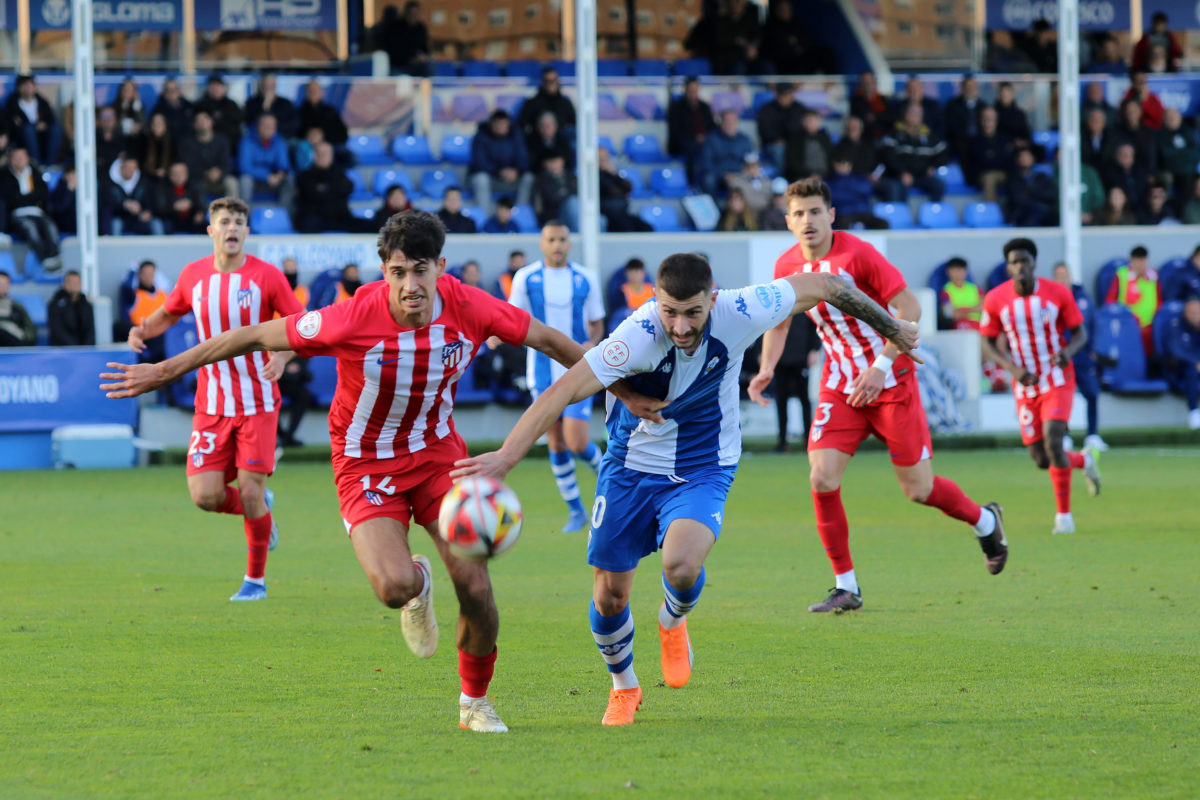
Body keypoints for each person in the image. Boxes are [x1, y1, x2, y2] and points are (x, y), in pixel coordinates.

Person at [102, 210, 619, 733]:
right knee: (393, 588)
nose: (410, 285)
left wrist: (620, 390)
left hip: (441, 459)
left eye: (421, 270)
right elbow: (255, 336)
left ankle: (474, 703)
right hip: (365, 465)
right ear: (383, 271)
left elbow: (552, 341)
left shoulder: (470, 305)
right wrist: (164, 370)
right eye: (398, 272)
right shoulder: (350, 316)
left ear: (441, 266)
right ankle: (418, 582)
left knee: (477, 589)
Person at [451, 252, 921, 726]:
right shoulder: (635, 336)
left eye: (693, 312)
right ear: (655, 300)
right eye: (669, 311)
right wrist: (506, 457)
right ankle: (625, 687)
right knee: (610, 596)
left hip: (704, 464)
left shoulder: (741, 309)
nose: (679, 325)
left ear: (712, 300)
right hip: (629, 467)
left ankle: (673, 621)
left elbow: (823, 284)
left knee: (680, 565)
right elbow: (563, 390)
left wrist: (892, 329)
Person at [749, 179, 1008, 613]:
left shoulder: (857, 254)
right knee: (821, 478)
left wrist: (880, 365)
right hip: (840, 385)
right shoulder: (786, 266)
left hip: (891, 382)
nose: (807, 221)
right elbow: (779, 322)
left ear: (831, 215)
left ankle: (985, 520)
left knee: (919, 490)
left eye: (815, 211)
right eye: (799, 214)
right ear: (788, 220)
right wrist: (766, 369)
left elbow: (910, 309)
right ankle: (845, 585)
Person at [115, 197, 302, 601]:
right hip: (212, 404)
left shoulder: (267, 277)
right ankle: (261, 513)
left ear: (247, 232)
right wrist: (142, 331)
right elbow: (169, 312)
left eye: (239, 221)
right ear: (211, 231)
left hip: (257, 401)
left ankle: (255, 582)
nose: (232, 227)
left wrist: (283, 357)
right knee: (205, 497)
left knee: (250, 490)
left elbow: (299, 326)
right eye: (224, 221)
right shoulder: (194, 276)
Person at [980, 239, 1102, 535]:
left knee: (1054, 438)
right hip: (1024, 384)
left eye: (1025, 260)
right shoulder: (996, 299)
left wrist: (1067, 353)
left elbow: (1080, 333)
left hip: (1057, 379)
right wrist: (1012, 368)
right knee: (1041, 458)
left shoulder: (1058, 292)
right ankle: (1083, 459)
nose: (1020, 266)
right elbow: (986, 341)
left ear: (1033, 263)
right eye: (1014, 262)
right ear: (1008, 267)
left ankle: (1064, 518)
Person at [506, 221, 606, 531]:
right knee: (556, 442)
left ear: (569, 243)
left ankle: (614, 483)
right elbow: (513, 319)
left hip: (578, 369)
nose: (557, 245)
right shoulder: (525, 278)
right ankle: (576, 511)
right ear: (542, 243)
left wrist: (592, 341)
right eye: (551, 239)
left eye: (562, 239)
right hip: (541, 372)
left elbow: (597, 323)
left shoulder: (586, 278)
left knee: (576, 441)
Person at [1051, 262, 1108, 451]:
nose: (1062, 279)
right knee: (1062, 397)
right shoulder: (1049, 300)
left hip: (1082, 355)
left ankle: (1092, 434)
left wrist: (1095, 349)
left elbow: (1093, 324)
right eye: (1058, 276)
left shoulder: (1083, 298)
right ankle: (1064, 435)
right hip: (1061, 357)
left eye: (1065, 275)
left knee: (1092, 393)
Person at [0, 146, 62, 268]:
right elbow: (9, 198)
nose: (19, 161)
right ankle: (45, 259)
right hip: (18, 214)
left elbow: (43, 195)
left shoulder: (36, 173)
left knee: (50, 227)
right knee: (30, 229)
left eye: (21, 157)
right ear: (11, 160)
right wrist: (31, 197)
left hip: (37, 212)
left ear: (27, 158)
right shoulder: (4, 175)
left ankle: (54, 256)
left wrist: (22, 198)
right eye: (16, 158)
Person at [468, 109, 533, 216]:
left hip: (512, 179)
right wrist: (499, 171)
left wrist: (517, 171)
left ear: (508, 124)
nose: (500, 127)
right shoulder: (480, 136)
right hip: (492, 179)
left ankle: (520, 216)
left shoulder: (517, 135)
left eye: (503, 124)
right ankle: (486, 219)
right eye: (497, 124)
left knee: (528, 178)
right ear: (491, 124)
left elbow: (524, 158)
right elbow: (479, 163)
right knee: (480, 179)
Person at [771, 313, 820, 452]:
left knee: (805, 401)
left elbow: (815, 327)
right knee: (781, 401)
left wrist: (814, 350)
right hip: (779, 359)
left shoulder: (805, 304)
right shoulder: (777, 302)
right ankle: (782, 442)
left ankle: (808, 442)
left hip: (801, 358)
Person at [1104, 245, 1160, 354]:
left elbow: (1159, 301)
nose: (1141, 264)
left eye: (1143, 260)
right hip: (1127, 327)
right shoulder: (1121, 275)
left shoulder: (1153, 277)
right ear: (1131, 260)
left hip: (1150, 328)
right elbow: (1110, 302)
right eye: (1138, 260)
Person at [238, 114, 294, 210]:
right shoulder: (246, 140)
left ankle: (282, 212)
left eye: (271, 125)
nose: (268, 128)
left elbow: (284, 164)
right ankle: (246, 214)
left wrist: (280, 174)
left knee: (289, 178)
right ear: (258, 126)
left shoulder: (280, 141)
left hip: (274, 180)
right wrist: (267, 176)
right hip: (254, 179)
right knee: (245, 180)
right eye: (265, 125)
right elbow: (244, 167)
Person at [5, 74, 62, 166]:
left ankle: (50, 164)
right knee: (28, 129)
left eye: (30, 85)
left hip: (42, 138)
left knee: (56, 129)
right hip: (22, 139)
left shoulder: (42, 102)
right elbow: (11, 124)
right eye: (24, 85)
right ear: (19, 88)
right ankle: (36, 164)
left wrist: (44, 124)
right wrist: (33, 126)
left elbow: (51, 120)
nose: (28, 88)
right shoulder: (12, 103)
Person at [666, 77, 714, 184]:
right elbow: (675, 131)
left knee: (715, 146)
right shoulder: (676, 107)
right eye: (691, 89)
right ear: (685, 89)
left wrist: (705, 137)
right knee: (694, 150)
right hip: (684, 143)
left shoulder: (704, 107)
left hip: (705, 142)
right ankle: (692, 184)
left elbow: (712, 127)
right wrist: (695, 137)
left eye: (695, 89)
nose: (693, 92)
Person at [104, 156, 165, 236]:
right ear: (120, 168)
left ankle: (159, 248)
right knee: (116, 224)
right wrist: (124, 204)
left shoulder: (143, 183)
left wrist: (148, 212)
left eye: (133, 168)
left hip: (140, 219)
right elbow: (107, 206)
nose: (130, 171)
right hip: (121, 218)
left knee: (156, 223)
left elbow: (151, 202)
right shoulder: (110, 184)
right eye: (127, 167)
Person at [516, 67, 576, 147]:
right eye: (547, 81)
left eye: (553, 81)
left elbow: (574, 123)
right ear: (542, 82)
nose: (550, 84)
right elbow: (522, 125)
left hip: (562, 145)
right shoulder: (532, 103)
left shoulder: (565, 103)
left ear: (558, 82)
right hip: (537, 144)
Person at [1164, 296, 1200, 430]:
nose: (1196, 316)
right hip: (1179, 369)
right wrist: (1195, 363)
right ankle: (1194, 413)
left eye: (1198, 312)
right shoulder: (1176, 325)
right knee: (1191, 370)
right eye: (1193, 312)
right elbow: (1175, 350)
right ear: (1185, 313)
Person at [193, 75, 243, 159]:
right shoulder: (201, 105)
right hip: (208, 146)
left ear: (224, 88)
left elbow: (239, 120)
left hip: (232, 145)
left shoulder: (232, 105)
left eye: (218, 86)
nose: (216, 89)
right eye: (213, 86)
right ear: (208, 88)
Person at [154, 161, 208, 235]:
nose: (178, 176)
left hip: (191, 220)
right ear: (170, 175)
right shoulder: (162, 187)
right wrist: (174, 207)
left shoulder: (195, 185)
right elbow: (159, 209)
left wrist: (200, 213)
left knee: (208, 227)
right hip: (172, 220)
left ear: (186, 174)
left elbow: (202, 204)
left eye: (181, 173)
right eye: (175, 173)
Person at [244, 73, 299, 141]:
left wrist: (273, 128)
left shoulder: (285, 103)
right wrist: (265, 106)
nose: (268, 89)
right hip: (257, 139)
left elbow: (294, 124)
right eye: (265, 86)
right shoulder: (251, 103)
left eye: (270, 86)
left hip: (283, 137)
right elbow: (249, 124)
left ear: (275, 86)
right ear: (260, 86)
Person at [47, 270, 94, 346]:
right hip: (62, 349)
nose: (74, 286)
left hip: (85, 350)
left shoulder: (86, 305)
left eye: (77, 283)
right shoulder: (55, 305)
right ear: (64, 284)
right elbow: (57, 330)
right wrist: (74, 347)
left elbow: (90, 330)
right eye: (71, 283)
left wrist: (86, 347)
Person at [940, 257, 982, 331]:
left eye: (960, 270)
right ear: (948, 272)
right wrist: (973, 309)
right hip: (960, 325)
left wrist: (962, 309)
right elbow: (951, 314)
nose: (957, 274)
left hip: (978, 323)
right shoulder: (946, 291)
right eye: (954, 270)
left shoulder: (976, 288)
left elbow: (985, 308)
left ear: (965, 272)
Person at [0, 272, 36, 346]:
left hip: (15, 345)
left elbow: (31, 332)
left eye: (5, 283)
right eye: (0, 283)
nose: (2, 286)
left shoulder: (18, 307)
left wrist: (24, 337)